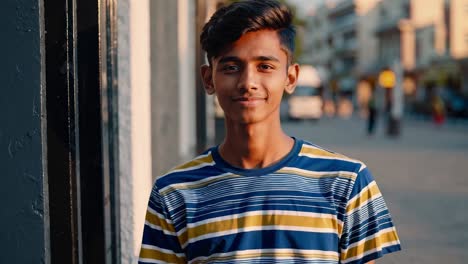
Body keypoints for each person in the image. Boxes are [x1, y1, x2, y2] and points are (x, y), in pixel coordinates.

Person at [139, 1, 401, 263]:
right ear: (208, 79)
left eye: (265, 66)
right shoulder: (173, 193)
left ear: (290, 78)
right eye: (231, 67)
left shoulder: (347, 182)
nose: (248, 83)